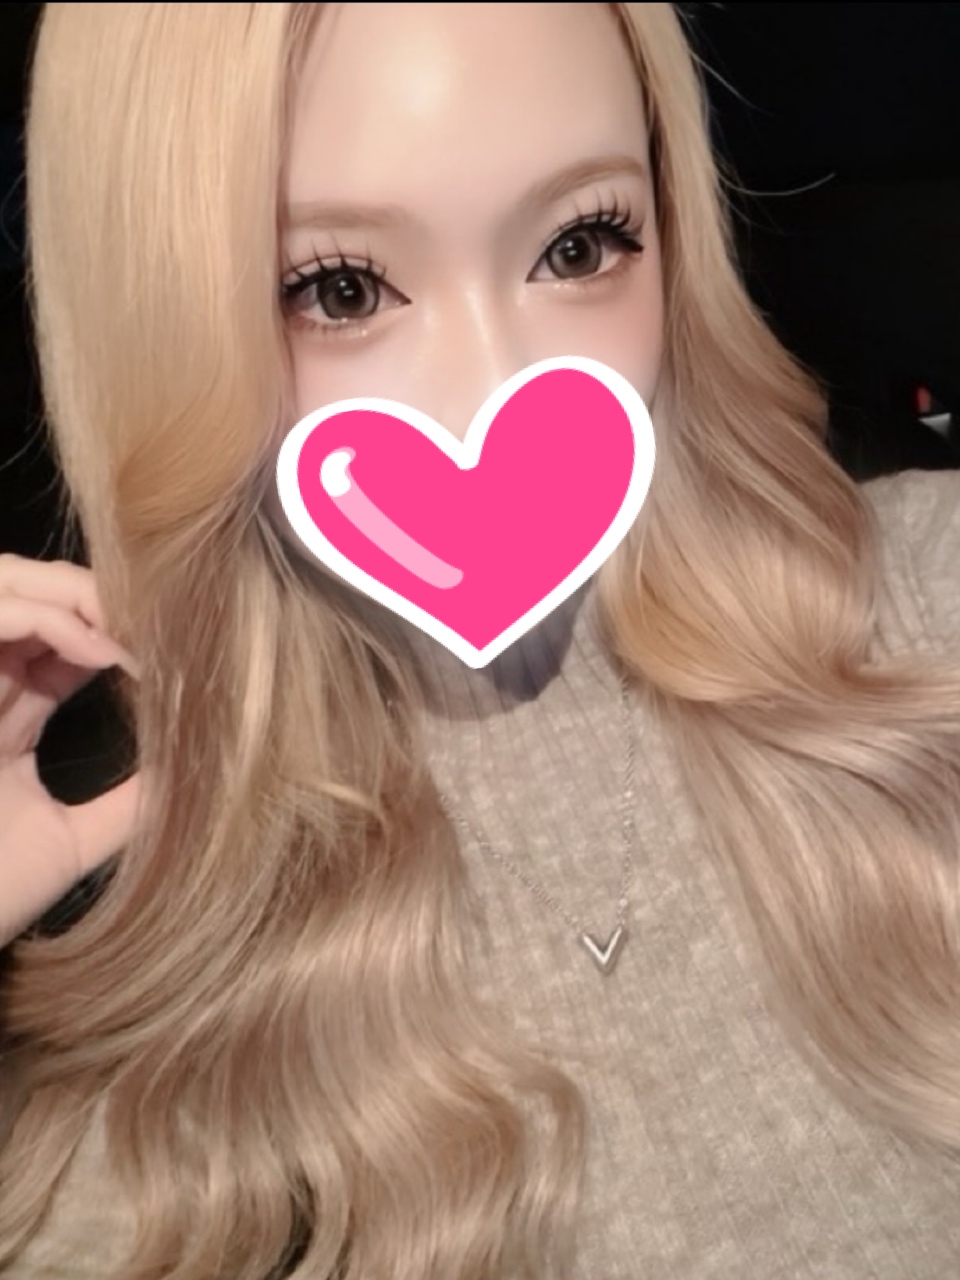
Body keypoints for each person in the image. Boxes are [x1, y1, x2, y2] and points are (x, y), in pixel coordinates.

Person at [3, 3, 960, 1277]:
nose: (495, 384)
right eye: (340, 289)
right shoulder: (99, 840)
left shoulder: (923, 604)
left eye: (581, 244)